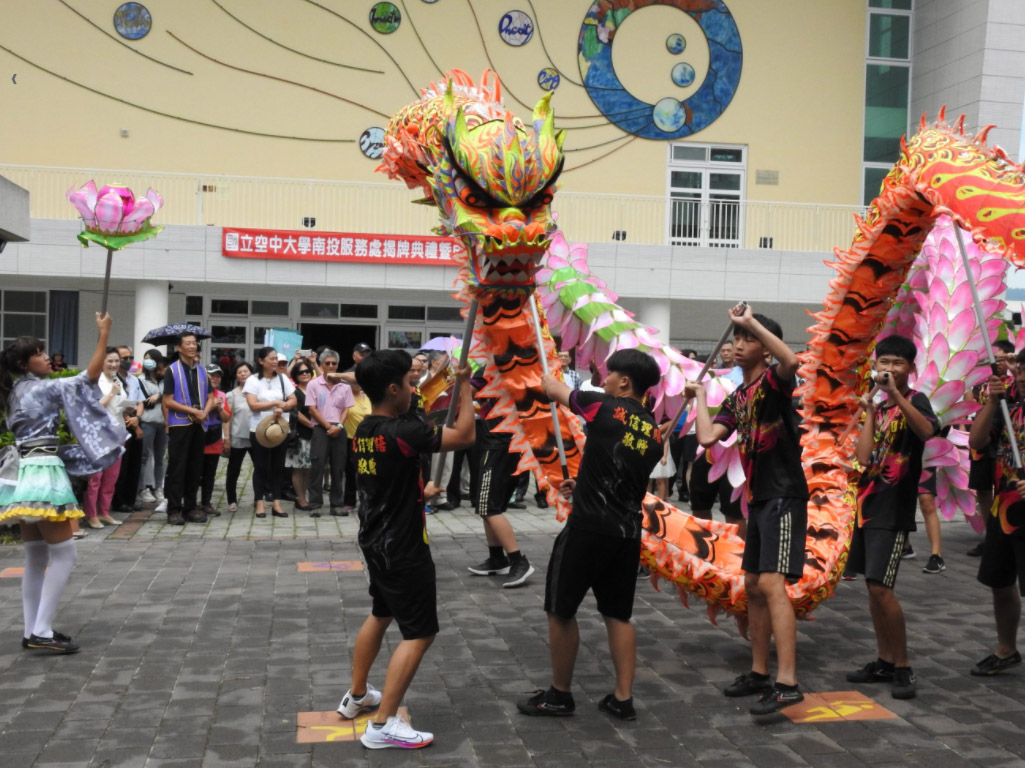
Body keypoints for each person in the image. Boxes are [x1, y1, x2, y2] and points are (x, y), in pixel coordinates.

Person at [338, 349, 474, 750]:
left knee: (381, 612)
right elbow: (465, 435)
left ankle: (358, 695)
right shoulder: (402, 432)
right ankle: (382, 727)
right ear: (393, 388)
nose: (415, 389)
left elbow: (389, 479)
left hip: (376, 540)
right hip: (404, 546)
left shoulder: (366, 427)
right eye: (410, 383)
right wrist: (464, 386)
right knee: (420, 632)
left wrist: (421, 490)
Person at [517, 349, 660, 720]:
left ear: (625, 382)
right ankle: (622, 698)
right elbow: (621, 473)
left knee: (560, 610)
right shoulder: (654, 430)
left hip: (587, 529)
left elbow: (553, 389)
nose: (603, 380)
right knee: (618, 616)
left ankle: (559, 695)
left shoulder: (604, 406)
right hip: (626, 535)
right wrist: (582, 484)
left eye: (608, 374)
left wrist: (552, 379)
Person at [687, 304, 809, 716]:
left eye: (748, 339)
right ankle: (758, 671)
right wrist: (701, 396)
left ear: (765, 348)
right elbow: (706, 438)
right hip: (758, 500)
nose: (738, 345)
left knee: (773, 585)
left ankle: (788, 682)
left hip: (784, 495)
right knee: (754, 585)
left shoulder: (775, 381)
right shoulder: (738, 397)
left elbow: (792, 360)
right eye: (736, 338)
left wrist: (751, 319)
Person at [0, 312, 124, 653]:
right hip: (43, 472)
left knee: (36, 558)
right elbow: (90, 376)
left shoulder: (17, 392)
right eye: (40, 354)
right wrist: (103, 334)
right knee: (65, 555)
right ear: (26, 364)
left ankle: (33, 630)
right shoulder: (39, 390)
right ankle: (41, 630)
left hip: (24, 472)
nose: (47, 357)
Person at [845, 334, 938, 700]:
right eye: (883, 362)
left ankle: (903, 666)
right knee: (872, 587)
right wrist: (869, 409)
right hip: (866, 508)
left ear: (910, 368)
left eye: (897, 363)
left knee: (883, 589)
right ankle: (884, 660)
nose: (889, 369)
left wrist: (896, 395)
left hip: (893, 509)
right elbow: (865, 457)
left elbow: (928, 431)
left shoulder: (915, 400)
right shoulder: (877, 407)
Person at [968, 350, 1025, 677]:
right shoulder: (1007, 405)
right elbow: (976, 439)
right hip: (1004, 508)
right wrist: (991, 401)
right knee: (1000, 582)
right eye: (1020, 371)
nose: (1020, 377)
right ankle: (1006, 649)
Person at [465, 386, 535, 588]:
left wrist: (461, 380)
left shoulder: (504, 368)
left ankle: (518, 561)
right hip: (499, 441)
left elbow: (469, 390)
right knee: (487, 505)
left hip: (501, 443)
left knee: (489, 507)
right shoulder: (500, 370)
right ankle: (497, 558)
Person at [967, 341, 1018, 557]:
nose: (997, 364)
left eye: (1002, 359)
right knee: (983, 489)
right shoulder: (980, 386)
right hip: (984, 443)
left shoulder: (1015, 384)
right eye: (992, 359)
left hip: (1006, 450)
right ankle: (991, 534)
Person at [163, 332, 216, 525]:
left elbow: (210, 396)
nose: (192, 346)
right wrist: (191, 411)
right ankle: (174, 509)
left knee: (195, 467)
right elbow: (168, 401)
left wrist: (204, 412)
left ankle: (191, 507)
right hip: (180, 423)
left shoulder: (202, 371)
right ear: (179, 348)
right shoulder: (172, 370)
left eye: (194, 343)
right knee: (178, 467)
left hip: (199, 423)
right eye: (188, 343)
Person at [84, 347, 137, 529]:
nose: (115, 364)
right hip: (99, 435)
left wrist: (128, 408)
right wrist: (112, 393)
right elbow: (95, 407)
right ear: (102, 362)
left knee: (111, 477)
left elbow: (117, 407)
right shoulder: (94, 381)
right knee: (96, 478)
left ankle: (104, 512)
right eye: (110, 361)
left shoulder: (117, 381)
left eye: (116, 361)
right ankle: (91, 514)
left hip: (117, 432)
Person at [244, 347, 296, 519]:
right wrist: (275, 403)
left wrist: (284, 406)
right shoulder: (252, 380)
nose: (275, 362)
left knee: (278, 467)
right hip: (259, 429)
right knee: (260, 467)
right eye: (272, 359)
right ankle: (259, 502)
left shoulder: (282, 379)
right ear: (261, 361)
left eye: (276, 358)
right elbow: (253, 405)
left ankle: (277, 503)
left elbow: (293, 399)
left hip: (279, 429)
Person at [305, 349, 354, 516]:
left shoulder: (344, 386)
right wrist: (328, 427)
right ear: (321, 365)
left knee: (338, 468)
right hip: (320, 428)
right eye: (328, 363)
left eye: (334, 363)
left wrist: (338, 426)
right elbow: (312, 409)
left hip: (339, 429)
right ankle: (315, 504)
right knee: (317, 466)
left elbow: (347, 409)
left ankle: (336, 504)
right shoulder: (313, 384)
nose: (331, 366)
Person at [111, 345, 145, 513]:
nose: (128, 361)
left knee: (135, 463)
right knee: (121, 466)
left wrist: (137, 419)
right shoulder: (111, 379)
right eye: (124, 358)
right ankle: (118, 501)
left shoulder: (134, 379)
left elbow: (140, 402)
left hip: (135, 423)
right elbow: (114, 404)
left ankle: (130, 499)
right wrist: (129, 419)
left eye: (130, 357)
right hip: (120, 424)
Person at [198, 364, 230, 517]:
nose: (215, 378)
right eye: (212, 375)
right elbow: (198, 413)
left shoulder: (222, 395)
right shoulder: (198, 392)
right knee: (195, 473)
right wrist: (210, 407)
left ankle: (206, 502)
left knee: (210, 474)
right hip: (198, 435)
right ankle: (191, 503)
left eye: (218, 375)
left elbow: (226, 418)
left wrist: (219, 408)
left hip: (214, 437)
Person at [137, 350, 167, 509]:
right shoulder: (141, 379)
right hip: (147, 421)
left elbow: (170, 394)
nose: (147, 362)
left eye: (150, 359)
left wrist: (158, 396)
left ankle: (158, 487)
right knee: (144, 456)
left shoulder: (164, 379)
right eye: (145, 359)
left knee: (160, 458)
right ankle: (143, 488)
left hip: (163, 422)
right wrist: (158, 398)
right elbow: (144, 402)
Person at [224, 361, 254, 514]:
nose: (243, 374)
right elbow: (227, 418)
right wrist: (227, 438)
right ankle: (232, 500)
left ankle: (259, 499)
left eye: (246, 371)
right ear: (236, 376)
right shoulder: (232, 395)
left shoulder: (257, 393)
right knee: (233, 470)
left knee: (260, 469)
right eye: (239, 372)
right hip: (237, 437)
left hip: (256, 437)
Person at [286, 362, 315, 512]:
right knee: (298, 467)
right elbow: (295, 413)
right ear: (296, 376)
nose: (305, 374)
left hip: (315, 434)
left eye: (307, 371)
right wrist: (311, 425)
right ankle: (300, 498)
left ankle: (304, 496)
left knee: (308, 467)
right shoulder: (295, 392)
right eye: (301, 372)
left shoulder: (315, 389)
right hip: (300, 433)